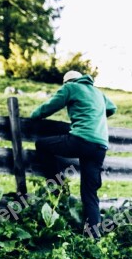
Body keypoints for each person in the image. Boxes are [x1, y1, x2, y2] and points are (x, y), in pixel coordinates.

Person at [31, 70, 117, 237]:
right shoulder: (98, 92)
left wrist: (33, 116)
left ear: (67, 82)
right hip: (100, 146)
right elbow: (112, 108)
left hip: (81, 140)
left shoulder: (70, 87)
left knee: (41, 145)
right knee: (89, 193)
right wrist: (94, 115)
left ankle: (57, 184)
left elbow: (50, 106)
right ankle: (93, 236)